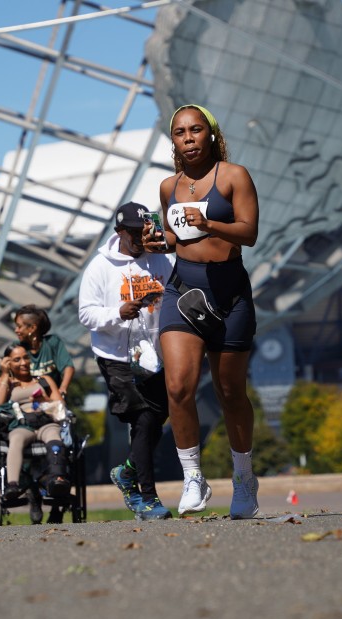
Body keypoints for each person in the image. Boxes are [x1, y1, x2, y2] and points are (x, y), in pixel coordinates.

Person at [142, 103, 261, 519]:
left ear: (211, 134)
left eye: (195, 130)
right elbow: (175, 238)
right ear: (173, 141)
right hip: (184, 292)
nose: (188, 138)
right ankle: (193, 476)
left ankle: (244, 477)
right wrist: (160, 242)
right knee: (178, 387)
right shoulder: (168, 187)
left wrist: (209, 223)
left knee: (230, 393)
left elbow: (249, 232)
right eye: (180, 132)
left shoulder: (233, 176)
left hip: (229, 294)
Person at [78, 201, 174, 520]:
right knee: (143, 419)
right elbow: (86, 313)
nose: (139, 239)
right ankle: (147, 498)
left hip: (155, 355)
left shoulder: (161, 259)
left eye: (143, 231)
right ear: (119, 232)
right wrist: (117, 312)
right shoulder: (100, 267)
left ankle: (127, 471)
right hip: (117, 357)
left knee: (157, 420)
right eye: (133, 233)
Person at [0, 343, 67, 524]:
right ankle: (12, 485)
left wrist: (44, 400)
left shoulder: (43, 380)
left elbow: (60, 407)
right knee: (16, 439)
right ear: (8, 362)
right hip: (21, 424)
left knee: (54, 438)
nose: (24, 362)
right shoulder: (6, 383)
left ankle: (57, 479)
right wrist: (4, 374)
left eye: (25, 357)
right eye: (17, 359)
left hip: (46, 421)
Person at [13, 304, 75, 398]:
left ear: (32, 328)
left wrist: (63, 388)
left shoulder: (52, 342)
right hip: (27, 398)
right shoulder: (17, 348)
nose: (16, 330)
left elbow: (68, 367)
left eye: (19, 326)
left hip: (52, 397)